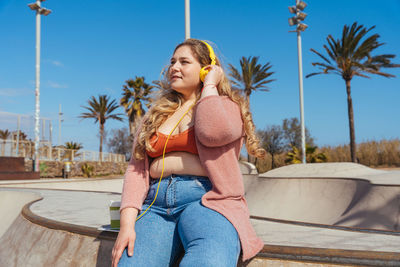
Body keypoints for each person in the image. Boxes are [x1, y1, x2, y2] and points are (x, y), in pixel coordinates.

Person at [112, 38, 266, 267]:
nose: (174, 67)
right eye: (173, 62)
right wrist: (126, 224)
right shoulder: (156, 114)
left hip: (207, 201)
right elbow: (136, 170)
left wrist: (211, 86)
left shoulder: (226, 107)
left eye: (184, 62)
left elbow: (211, 132)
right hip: (154, 205)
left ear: (206, 69)